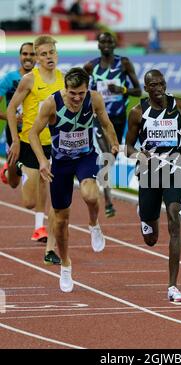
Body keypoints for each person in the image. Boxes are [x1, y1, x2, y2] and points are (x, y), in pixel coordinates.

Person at [29, 67, 119, 293]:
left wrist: (114, 142)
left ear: (87, 89)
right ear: (65, 89)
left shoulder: (94, 99)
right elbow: (33, 133)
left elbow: (106, 124)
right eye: (72, 93)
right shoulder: (52, 104)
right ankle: (66, 265)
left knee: (90, 194)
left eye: (81, 93)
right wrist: (42, 161)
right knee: (60, 220)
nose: (77, 98)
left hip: (86, 157)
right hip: (60, 162)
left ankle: (93, 224)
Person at [125, 69, 181, 303]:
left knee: (175, 219)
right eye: (153, 85)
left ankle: (173, 286)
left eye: (161, 83)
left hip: (174, 168)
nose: (159, 88)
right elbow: (128, 147)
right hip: (149, 171)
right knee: (151, 239)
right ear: (146, 88)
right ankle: (144, 214)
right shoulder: (137, 112)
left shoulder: (179, 106)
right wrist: (139, 156)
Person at [7, 35, 63, 265]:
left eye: (51, 53)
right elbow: (11, 110)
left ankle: (44, 234)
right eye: (43, 54)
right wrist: (15, 141)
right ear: (37, 58)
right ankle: (13, 167)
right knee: (28, 202)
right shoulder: (29, 80)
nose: (48, 57)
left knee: (50, 190)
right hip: (30, 142)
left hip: (56, 144)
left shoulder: (64, 79)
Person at [84, 32, 142, 217]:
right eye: (103, 42)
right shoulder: (90, 66)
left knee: (112, 157)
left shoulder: (123, 63)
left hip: (118, 118)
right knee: (107, 155)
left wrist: (121, 89)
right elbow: (80, 89)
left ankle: (102, 185)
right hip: (100, 119)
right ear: (98, 45)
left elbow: (138, 91)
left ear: (114, 44)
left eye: (110, 41)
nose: (107, 44)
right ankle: (108, 202)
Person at [0, 42, 36, 188]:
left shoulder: (41, 78)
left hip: (35, 131)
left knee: (37, 171)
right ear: (20, 56)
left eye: (32, 54)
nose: (28, 57)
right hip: (15, 131)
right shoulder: (10, 78)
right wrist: (12, 118)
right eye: (25, 54)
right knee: (13, 183)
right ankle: (7, 170)